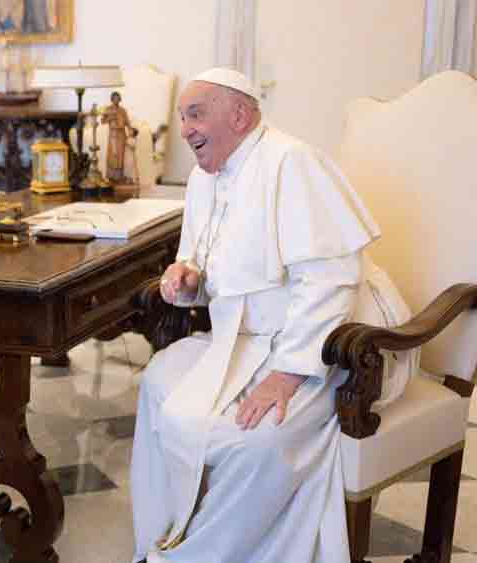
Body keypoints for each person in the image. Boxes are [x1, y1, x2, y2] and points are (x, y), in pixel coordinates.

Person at [129, 68, 380, 563]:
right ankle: (160, 538)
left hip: (328, 339)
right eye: (182, 117)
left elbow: (330, 281)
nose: (184, 129)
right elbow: (217, 273)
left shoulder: (291, 161)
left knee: (257, 442)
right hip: (241, 339)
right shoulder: (206, 179)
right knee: (159, 383)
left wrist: (287, 375)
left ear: (240, 115)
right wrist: (188, 281)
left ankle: (196, 557)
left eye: (195, 114)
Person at [100, 91, 137, 184]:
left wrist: (130, 130)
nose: (116, 99)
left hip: (121, 134)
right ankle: (111, 176)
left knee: (120, 155)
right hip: (113, 134)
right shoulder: (108, 109)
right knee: (113, 154)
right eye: (114, 98)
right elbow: (103, 121)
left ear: (120, 99)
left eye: (118, 98)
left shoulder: (123, 110)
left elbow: (127, 122)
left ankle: (119, 176)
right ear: (112, 99)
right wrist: (110, 117)